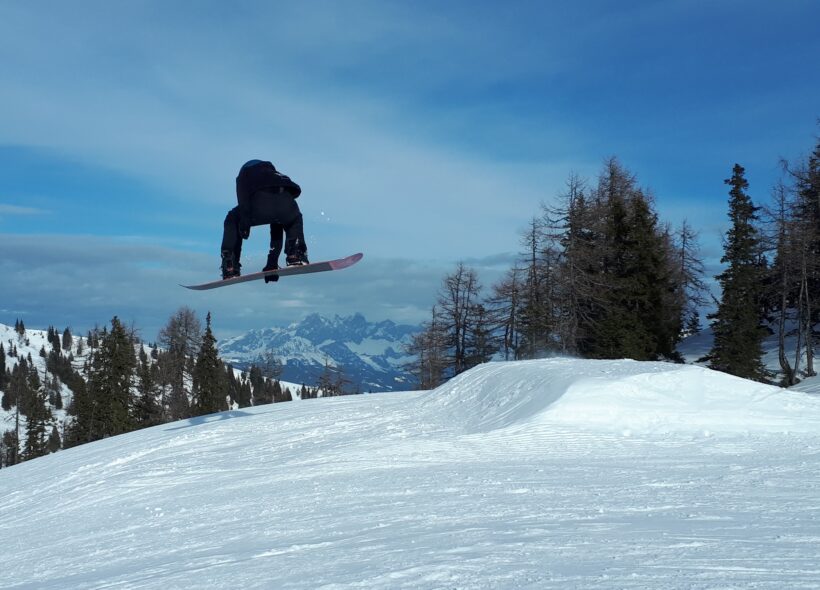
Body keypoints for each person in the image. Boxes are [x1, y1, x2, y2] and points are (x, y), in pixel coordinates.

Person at [221, 160, 309, 280]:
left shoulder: (245, 172)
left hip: (257, 205)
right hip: (287, 203)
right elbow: (277, 222)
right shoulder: (274, 175)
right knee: (293, 219)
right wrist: (272, 264)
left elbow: (242, 196)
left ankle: (230, 265)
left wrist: (244, 223)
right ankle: (295, 254)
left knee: (232, 219)